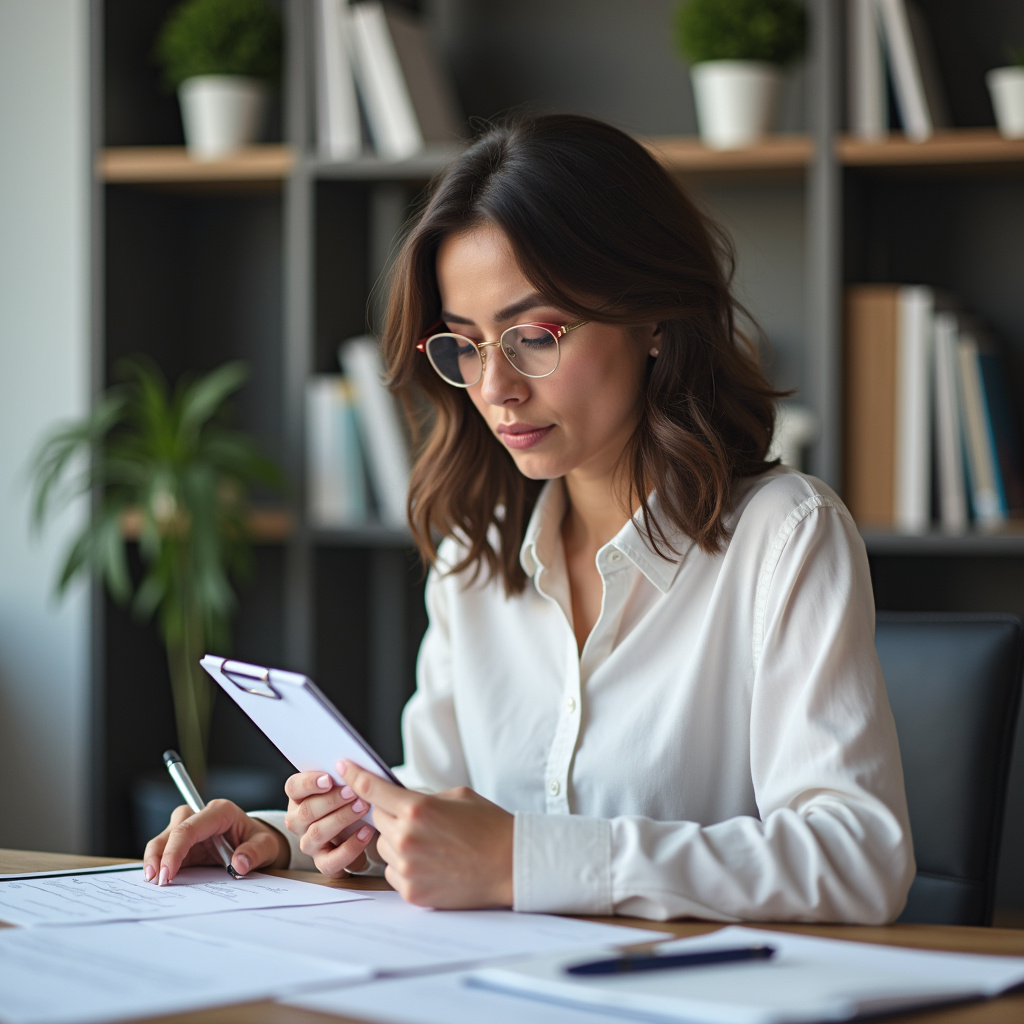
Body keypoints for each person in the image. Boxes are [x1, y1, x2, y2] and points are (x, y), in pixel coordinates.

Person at [144, 114, 914, 923]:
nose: (494, 388)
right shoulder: (473, 552)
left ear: (653, 318)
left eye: (535, 335)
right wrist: (294, 834)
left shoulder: (785, 536)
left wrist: (524, 859)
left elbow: (857, 857)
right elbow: (437, 798)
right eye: (468, 345)